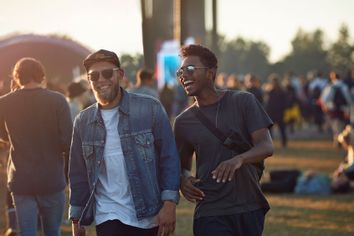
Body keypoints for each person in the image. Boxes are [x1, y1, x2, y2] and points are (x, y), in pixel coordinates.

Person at [68, 49, 180, 236]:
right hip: (108, 215)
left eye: (107, 73)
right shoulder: (83, 121)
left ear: (120, 74)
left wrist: (169, 204)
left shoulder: (149, 108)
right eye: (94, 76)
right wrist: (76, 217)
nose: (101, 80)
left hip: (149, 214)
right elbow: (77, 173)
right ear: (89, 81)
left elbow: (169, 157)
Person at [174, 44, 274, 236]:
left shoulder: (244, 101)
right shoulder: (183, 122)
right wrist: (184, 179)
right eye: (181, 71)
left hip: (249, 204)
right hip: (210, 209)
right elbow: (182, 166)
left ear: (211, 73)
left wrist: (239, 159)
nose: (183, 75)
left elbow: (266, 146)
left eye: (190, 69)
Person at [0, 57, 73, 236]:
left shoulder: (4, 102)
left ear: (17, 77)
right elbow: (68, 141)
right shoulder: (58, 100)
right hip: (52, 179)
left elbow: (3, 135)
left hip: (21, 180)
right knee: (52, 232)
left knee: (26, 232)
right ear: (42, 76)